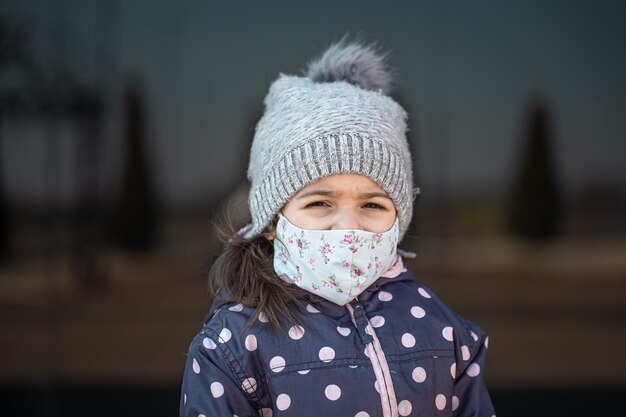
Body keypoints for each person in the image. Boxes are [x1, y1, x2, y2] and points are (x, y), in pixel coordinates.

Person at [180, 39, 496, 417]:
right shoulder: (232, 348)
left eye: (372, 204)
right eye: (319, 203)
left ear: (399, 219)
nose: (347, 227)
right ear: (271, 222)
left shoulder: (443, 331)